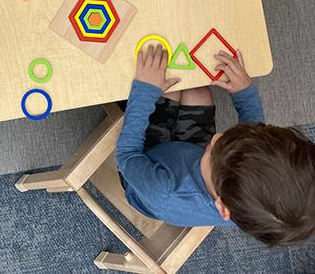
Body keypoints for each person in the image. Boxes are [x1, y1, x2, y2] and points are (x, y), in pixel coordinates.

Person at [116, 44, 315, 246]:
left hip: (145, 163)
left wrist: (144, 92)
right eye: (229, 138)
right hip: (190, 157)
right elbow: (253, 139)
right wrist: (245, 93)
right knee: (198, 93)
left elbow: (127, 154)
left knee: (169, 92)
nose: (216, 136)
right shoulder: (246, 206)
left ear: (222, 208)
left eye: (214, 151)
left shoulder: (161, 191)